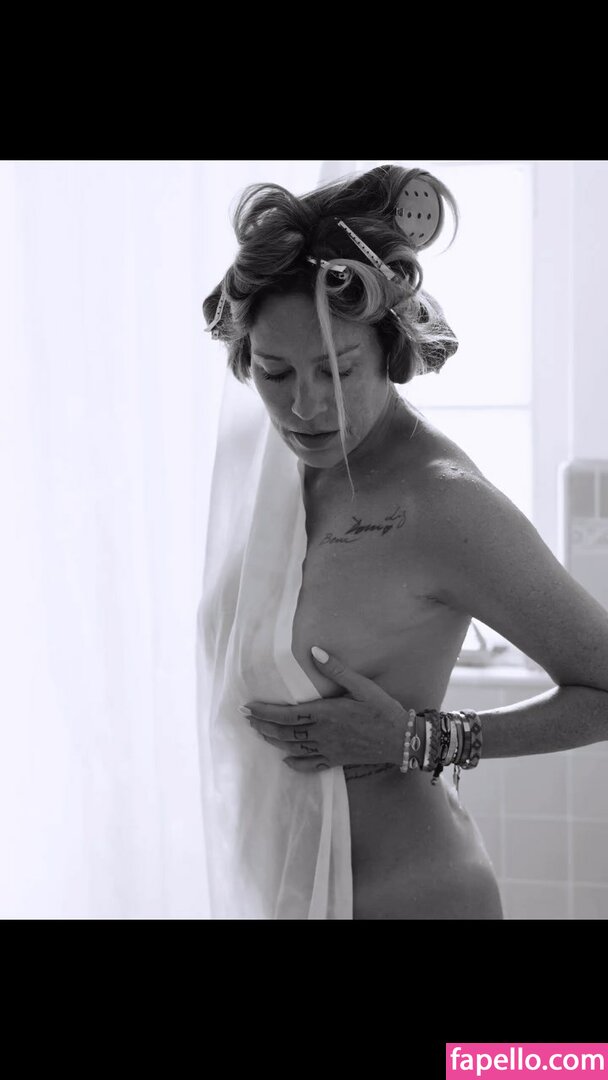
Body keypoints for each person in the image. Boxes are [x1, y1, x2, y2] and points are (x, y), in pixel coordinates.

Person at [197, 163, 608, 920]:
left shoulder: (441, 502)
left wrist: (423, 739)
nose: (305, 406)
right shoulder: (266, 475)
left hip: (415, 895)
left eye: (338, 369)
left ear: (388, 352)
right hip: (283, 892)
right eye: (275, 372)